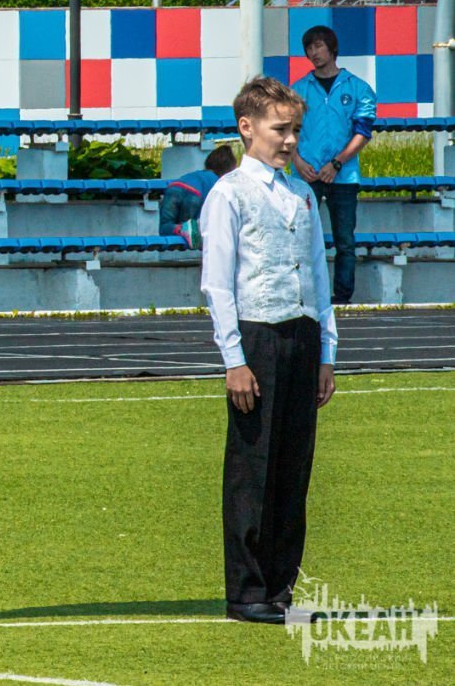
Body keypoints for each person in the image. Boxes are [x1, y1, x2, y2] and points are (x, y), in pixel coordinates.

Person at [198, 76, 337, 626]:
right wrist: (234, 360)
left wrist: (326, 352)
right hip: (256, 336)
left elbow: (319, 276)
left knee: (293, 467)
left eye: (295, 129)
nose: (290, 140)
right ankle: (247, 590)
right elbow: (218, 284)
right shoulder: (228, 193)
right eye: (280, 129)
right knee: (252, 468)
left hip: (302, 334)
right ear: (247, 127)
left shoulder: (301, 193)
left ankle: (281, 588)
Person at [290, 25, 375, 305]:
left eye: (318, 46)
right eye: (309, 48)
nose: (313, 53)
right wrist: (297, 161)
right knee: (301, 236)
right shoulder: (298, 90)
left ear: (332, 48)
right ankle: (304, 293)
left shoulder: (358, 88)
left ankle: (342, 296)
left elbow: (362, 133)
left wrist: (337, 163)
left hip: (344, 175)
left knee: (344, 240)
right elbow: (286, 130)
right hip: (306, 174)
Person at [158, 144, 238, 241]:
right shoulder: (218, 182)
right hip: (194, 194)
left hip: (173, 187)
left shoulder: (198, 174)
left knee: (165, 226)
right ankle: (185, 229)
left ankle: (179, 229)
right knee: (192, 231)